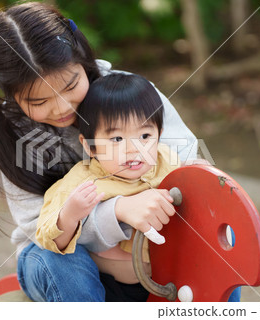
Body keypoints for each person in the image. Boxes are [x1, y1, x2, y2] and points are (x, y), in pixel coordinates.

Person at [0, 2, 244, 302]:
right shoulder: (14, 135)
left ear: (81, 58)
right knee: (61, 262)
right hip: (58, 255)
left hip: (149, 252)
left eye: (71, 85)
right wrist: (117, 212)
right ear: (13, 95)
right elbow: (41, 228)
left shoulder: (131, 95)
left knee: (214, 241)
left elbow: (192, 171)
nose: (62, 107)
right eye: (39, 101)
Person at [35, 73, 179, 301]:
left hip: (169, 280)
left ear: (159, 135)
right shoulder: (83, 182)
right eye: (117, 139)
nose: (133, 149)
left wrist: (199, 174)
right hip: (113, 289)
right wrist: (70, 215)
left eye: (144, 135)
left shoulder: (167, 161)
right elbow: (47, 237)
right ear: (90, 147)